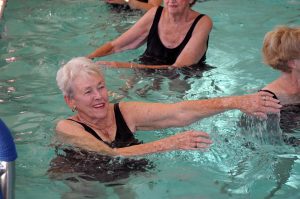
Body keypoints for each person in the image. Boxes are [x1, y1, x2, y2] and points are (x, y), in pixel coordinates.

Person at [54, 57, 281, 157]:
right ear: (70, 101)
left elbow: (180, 112)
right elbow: (109, 155)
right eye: (88, 91)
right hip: (84, 183)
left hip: (127, 178)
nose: (98, 96)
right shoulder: (67, 128)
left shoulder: (123, 111)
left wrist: (236, 102)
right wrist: (169, 144)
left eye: (101, 87)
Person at [87, 0, 212, 69]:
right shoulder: (155, 13)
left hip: (184, 74)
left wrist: (127, 66)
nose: (172, 0)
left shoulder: (203, 22)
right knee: (123, 93)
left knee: (177, 91)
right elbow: (116, 45)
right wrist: (89, 57)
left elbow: (178, 67)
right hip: (146, 65)